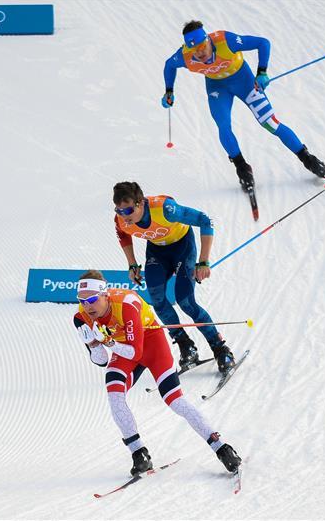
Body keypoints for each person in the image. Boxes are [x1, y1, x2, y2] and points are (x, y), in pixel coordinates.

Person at [74, 270, 241, 475]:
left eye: (92, 299)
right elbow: (102, 361)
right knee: (114, 395)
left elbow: (136, 352)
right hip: (123, 350)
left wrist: (108, 341)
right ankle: (139, 454)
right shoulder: (81, 317)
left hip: (151, 344)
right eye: (82, 300)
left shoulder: (126, 303)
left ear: (105, 294)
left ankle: (222, 447)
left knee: (175, 401)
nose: (87, 306)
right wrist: (92, 343)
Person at [161, 20, 325, 192]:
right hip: (217, 88)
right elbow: (169, 65)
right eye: (194, 50)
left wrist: (262, 72)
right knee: (224, 127)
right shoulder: (185, 56)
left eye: (202, 46)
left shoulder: (226, 41)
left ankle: (307, 158)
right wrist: (169, 91)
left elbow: (262, 43)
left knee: (270, 123)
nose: (200, 53)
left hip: (244, 81)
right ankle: (242, 167)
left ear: (208, 40)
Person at [112, 181, 236, 374]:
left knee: (185, 301)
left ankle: (220, 348)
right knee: (157, 300)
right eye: (119, 211)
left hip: (182, 247)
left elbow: (205, 220)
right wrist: (132, 264)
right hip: (157, 252)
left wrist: (203, 261)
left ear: (140, 203)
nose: (124, 217)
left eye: (127, 211)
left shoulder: (165, 209)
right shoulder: (121, 219)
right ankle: (186, 346)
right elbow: (123, 235)